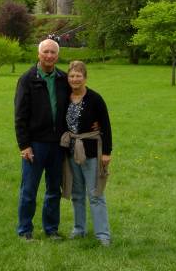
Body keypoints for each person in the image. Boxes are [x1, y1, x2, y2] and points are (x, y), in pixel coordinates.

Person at [14, 39, 70, 241]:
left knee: (54, 189)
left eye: (53, 52)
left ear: (57, 55)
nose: (49, 56)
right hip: (35, 144)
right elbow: (20, 116)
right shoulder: (27, 79)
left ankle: (51, 229)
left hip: (57, 145)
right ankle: (25, 230)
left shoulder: (64, 79)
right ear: (39, 54)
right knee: (29, 190)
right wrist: (24, 145)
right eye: (45, 52)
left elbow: (77, 103)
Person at [60, 60, 112, 246]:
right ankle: (79, 229)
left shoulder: (95, 98)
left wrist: (106, 153)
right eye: (72, 76)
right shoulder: (65, 97)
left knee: (95, 193)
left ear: (85, 77)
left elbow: (105, 125)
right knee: (77, 193)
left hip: (90, 152)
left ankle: (103, 235)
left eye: (78, 76)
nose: (75, 79)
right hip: (71, 152)